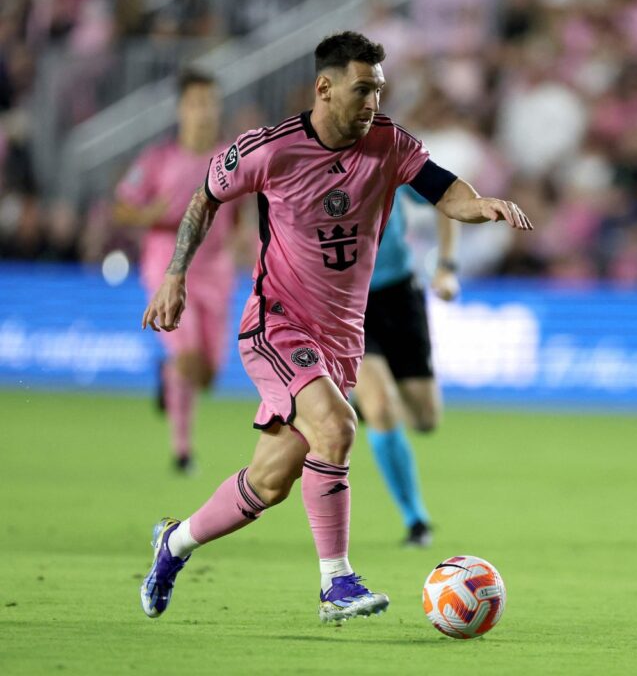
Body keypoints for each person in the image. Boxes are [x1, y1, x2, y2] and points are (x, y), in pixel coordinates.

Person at [138, 31, 533, 624]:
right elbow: (205, 197)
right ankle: (336, 584)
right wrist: (175, 274)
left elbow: (442, 187)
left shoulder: (389, 143)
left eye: (379, 88)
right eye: (363, 88)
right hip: (278, 324)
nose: (374, 101)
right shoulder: (270, 150)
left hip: (341, 341)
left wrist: (479, 206)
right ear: (325, 87)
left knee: (268, 483)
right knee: (339, 425)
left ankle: (173, 544)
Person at [114, 70, 242, 473]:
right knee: (187, 357)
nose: (204, 111)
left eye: (210, 102)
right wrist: (148, 213)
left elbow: (241, 210)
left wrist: (245, 242)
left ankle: (166, 375)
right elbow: (121, 205)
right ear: (181, 109)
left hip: (216, 269)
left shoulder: (232, 158)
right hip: (167, 266)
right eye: (196, 103)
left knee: (207, 375)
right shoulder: (158, 160)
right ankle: (183, 452)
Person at [356, 185, 459, 547]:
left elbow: (449, 198)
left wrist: (446, 266)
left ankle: (359, 400)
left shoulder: (391, 156)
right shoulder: (311, 162)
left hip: (399, 294)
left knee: (425, 419)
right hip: (343, 301)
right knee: (382, 407)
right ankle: (416, 520)